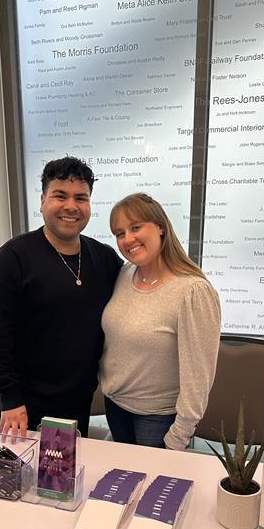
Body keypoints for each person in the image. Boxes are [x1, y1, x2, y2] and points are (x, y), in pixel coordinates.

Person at [0, 157, 123, 439]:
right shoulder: (12, 259)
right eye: (60, 195)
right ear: (43, 201)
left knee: (67, 467)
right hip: (23, 406)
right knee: (25, 468)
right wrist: (9, 398)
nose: (71, 206)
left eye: (81, 197)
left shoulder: (104, 258)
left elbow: (139, 291)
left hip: (77, 399)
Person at [100, 193, 221, 450]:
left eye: (135, 227)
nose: (127, 239)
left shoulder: (192, 291)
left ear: (160, 227)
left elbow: (198, 378)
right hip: (116, 406)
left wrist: (179, 435)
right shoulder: (125, 274)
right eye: (119, 233)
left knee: (150, 478)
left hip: (157, 419)